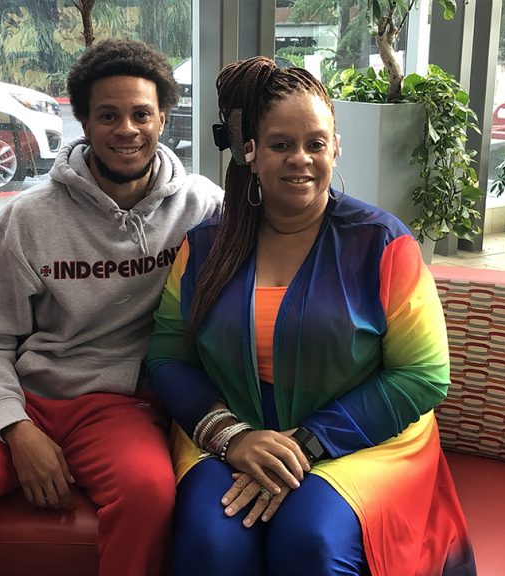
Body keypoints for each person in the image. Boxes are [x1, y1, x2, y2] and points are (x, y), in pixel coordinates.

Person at [0, 38, 222, 576]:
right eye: (108, 115)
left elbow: (276, 235)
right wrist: (16, 428)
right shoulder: (28, 219)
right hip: (27, 395)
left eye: (141, 114)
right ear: (85, 122)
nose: (126, 129)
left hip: (120, 405)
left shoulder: (201, 206)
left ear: (163, 119)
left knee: (148, 495)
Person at [146, 56, 476, 576]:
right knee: (213, 542)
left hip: (361, 440)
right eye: (281, 144)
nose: (300, 159)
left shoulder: (383, 244)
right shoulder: (205, 247)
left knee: (311, 540)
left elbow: (423, 375)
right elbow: (166, 358)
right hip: (231, 430)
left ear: (335, 147)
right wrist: (233, 437)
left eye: (315, 143)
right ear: (251, 152)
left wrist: (307, 442)